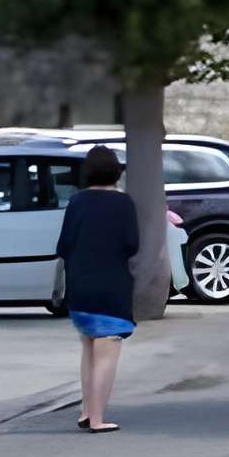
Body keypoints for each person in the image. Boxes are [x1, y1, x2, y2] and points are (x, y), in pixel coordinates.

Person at [54, 144, 142, 434]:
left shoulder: (77, 202)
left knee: (89, 348)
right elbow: (132, 245)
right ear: (116, 172)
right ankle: (97, 419)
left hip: (80, 288)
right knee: (107, 350)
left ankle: (86, 410)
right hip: (111, 289)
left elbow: (63, 245)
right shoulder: (124, 203)